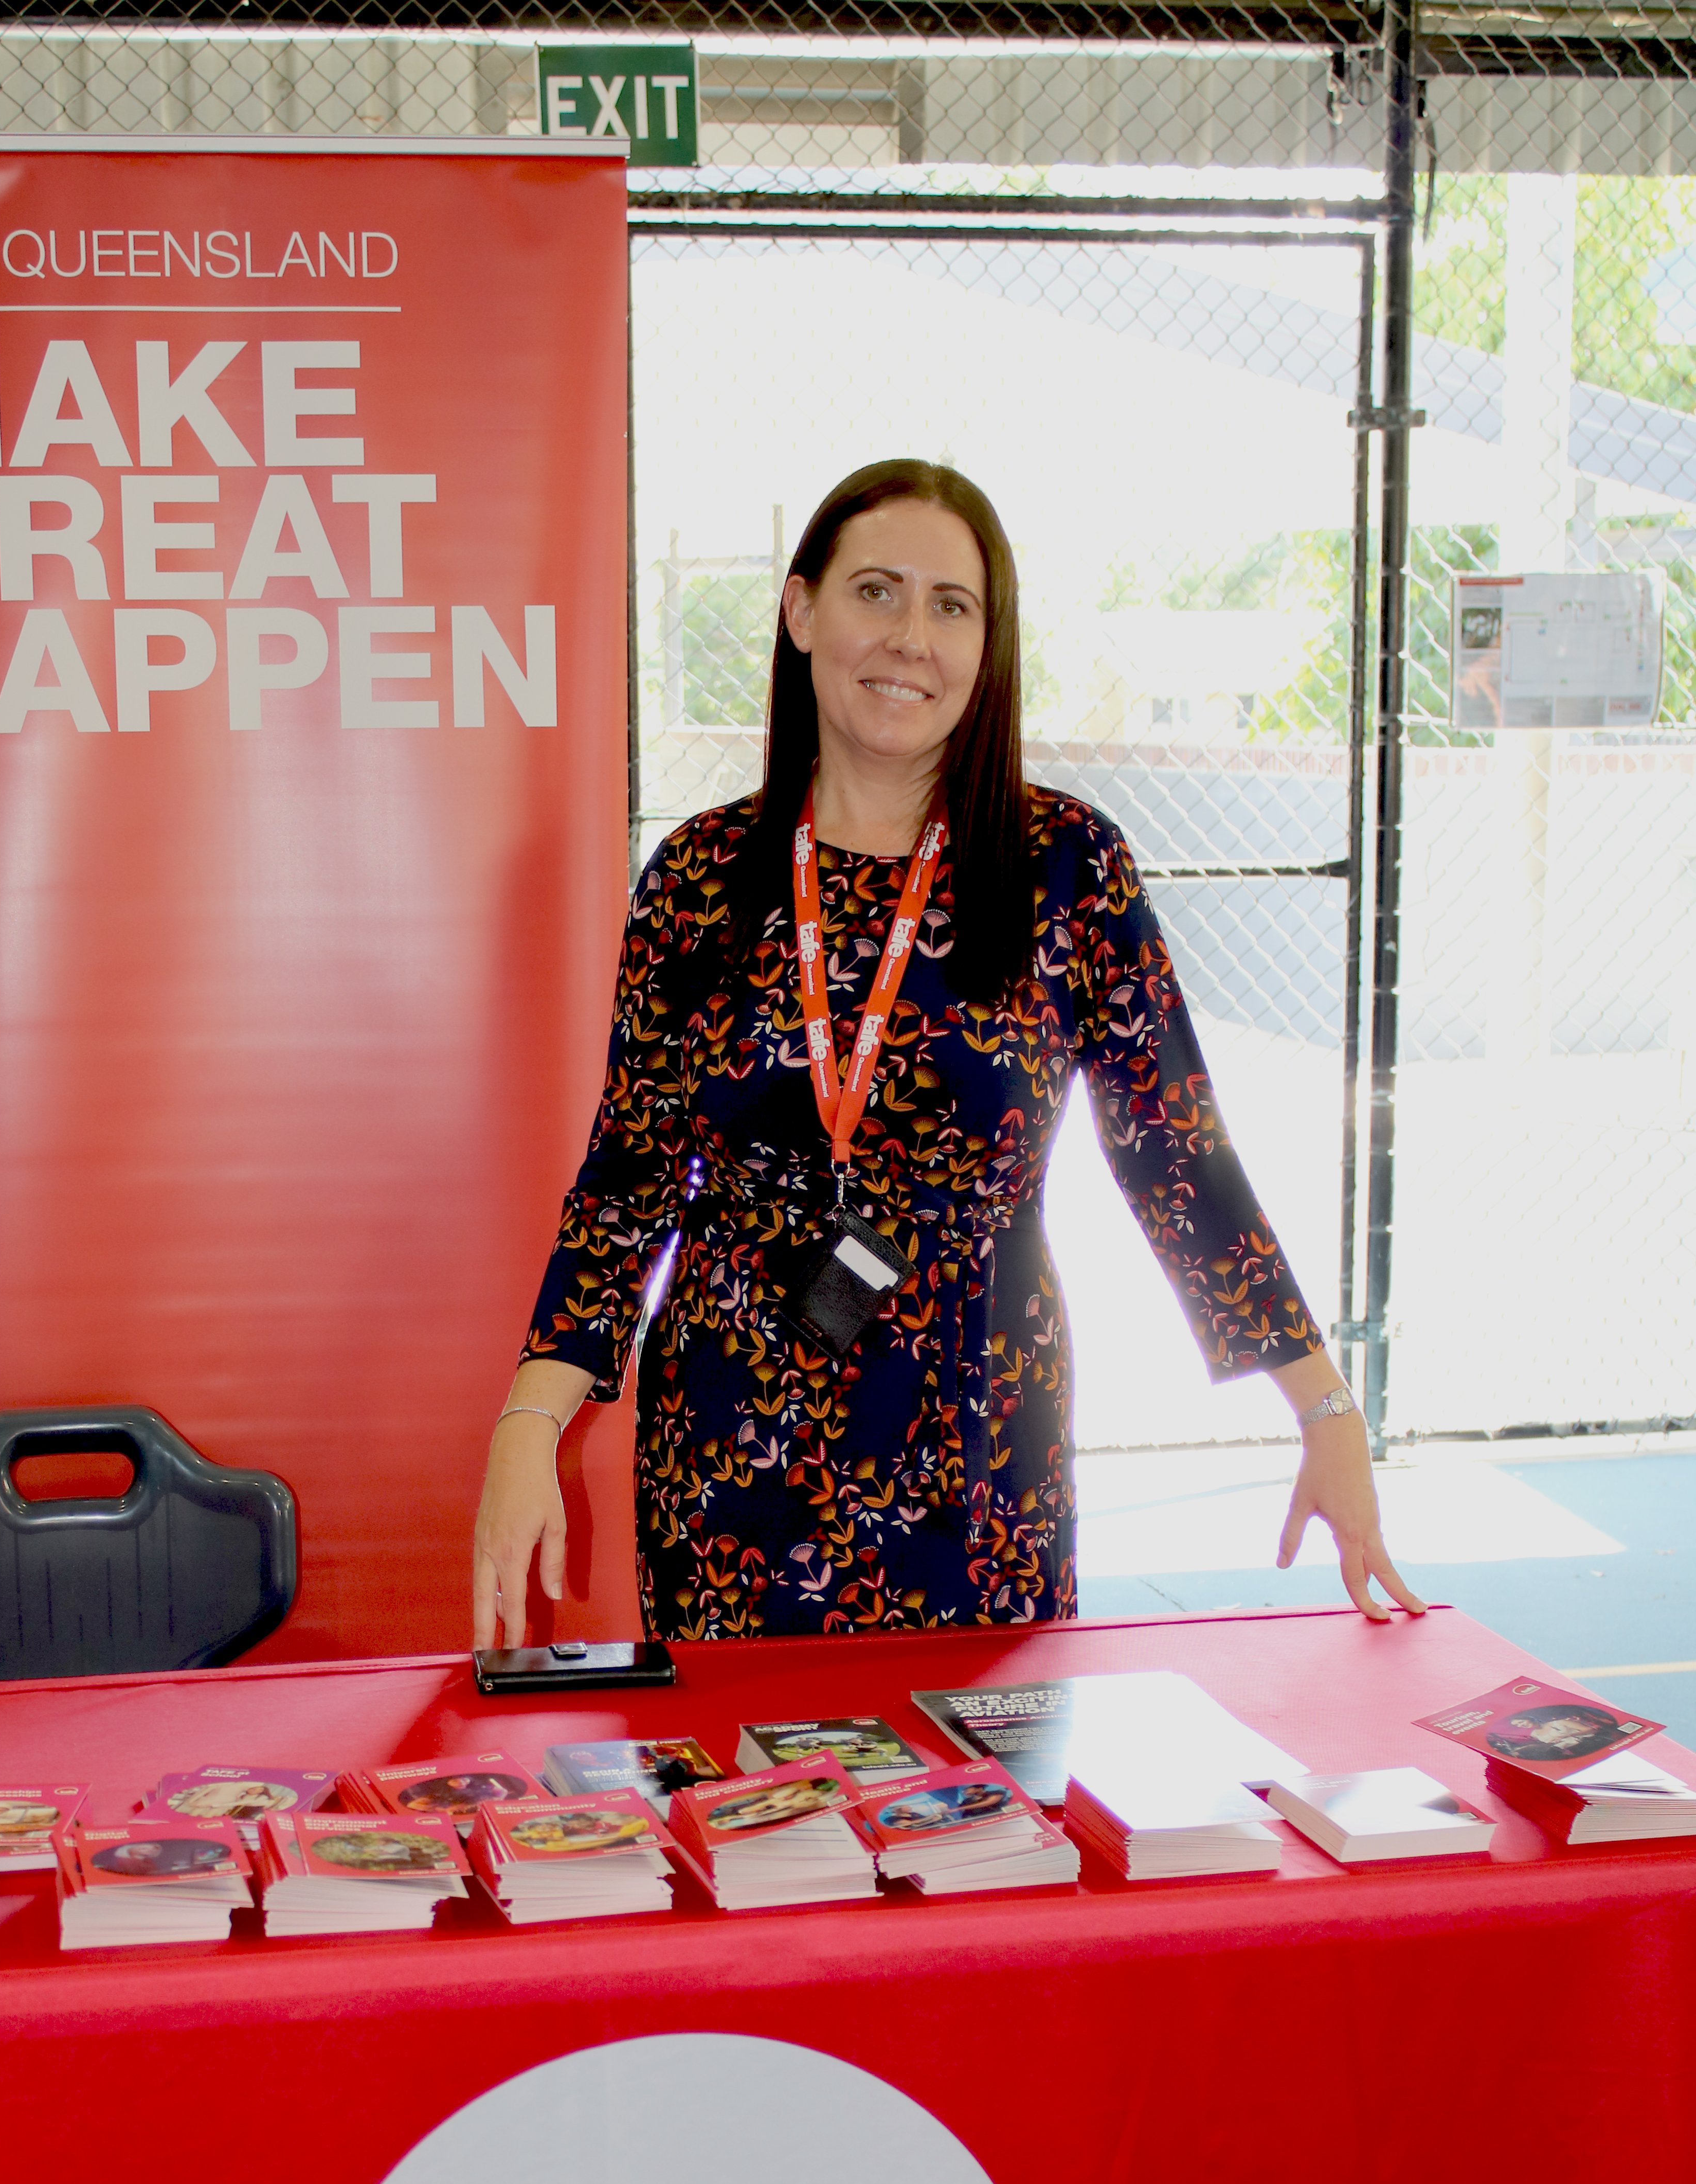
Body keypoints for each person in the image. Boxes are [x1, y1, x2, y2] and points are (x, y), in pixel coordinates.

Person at [474, 459, 1421, 1648]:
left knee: (978, 1766)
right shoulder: (698, 880)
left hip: (979, 1433)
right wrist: (528, 1426)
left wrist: (1323, 1411)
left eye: (950, 606)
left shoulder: (1066, 868)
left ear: (987, 644)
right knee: (747, 1768)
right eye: (874, 591)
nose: (909, 639)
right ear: (800, 609)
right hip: (732, 1446)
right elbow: (630, 1176)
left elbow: (1174, 1153)